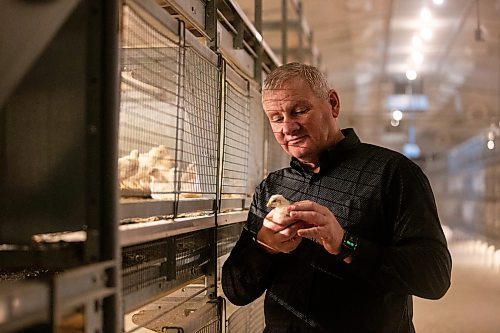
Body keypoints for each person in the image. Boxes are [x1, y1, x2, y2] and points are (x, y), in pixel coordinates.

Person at [221, 62, 452, 332]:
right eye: (276, 117)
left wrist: (346, 244)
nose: (288, 127)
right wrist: (264, 247)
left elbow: (435, 277)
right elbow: (236, 291)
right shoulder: (273, 187)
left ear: (332, 104)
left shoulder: (392, 174)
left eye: (299, 110)